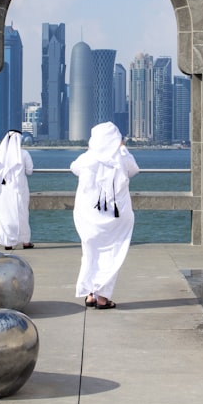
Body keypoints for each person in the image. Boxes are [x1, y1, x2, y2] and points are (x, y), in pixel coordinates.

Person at [71, 122, 139, 310]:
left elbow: (74, 168)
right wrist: (123, 149)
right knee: (111, 254)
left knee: (90, 253)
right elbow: (134, 170)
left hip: (89, 215)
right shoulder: (122, 157)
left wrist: (91, 151)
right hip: (116, 217)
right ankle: (102, 298)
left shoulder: (87, 158)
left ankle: (91, 295)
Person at [0, 129, 34, 250]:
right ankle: (25, 242)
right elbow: (29, 171)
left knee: (5, 215)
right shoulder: (24, 154)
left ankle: (8, 242)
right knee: (22, 214)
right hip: (20, 188)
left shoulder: (1, 156)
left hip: (4, 190)